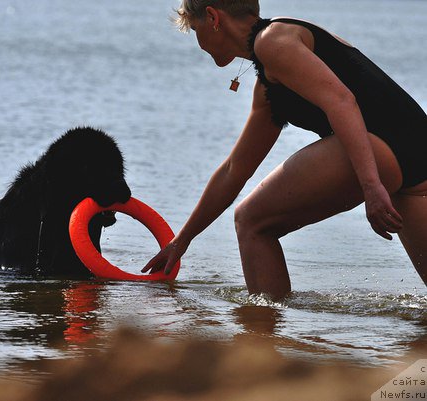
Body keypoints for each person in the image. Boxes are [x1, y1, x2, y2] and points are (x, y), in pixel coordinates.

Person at [142, 0, 427, 300]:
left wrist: (371, 186)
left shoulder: (274, 42)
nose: (197, 39)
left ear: (212, 17)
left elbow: (342, 101)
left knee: (252, 221)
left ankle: (264, 338)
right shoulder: (269, 84)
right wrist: (182, 241)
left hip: (383, 149)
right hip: (416, 156)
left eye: (194, 27)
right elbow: (234, 170)